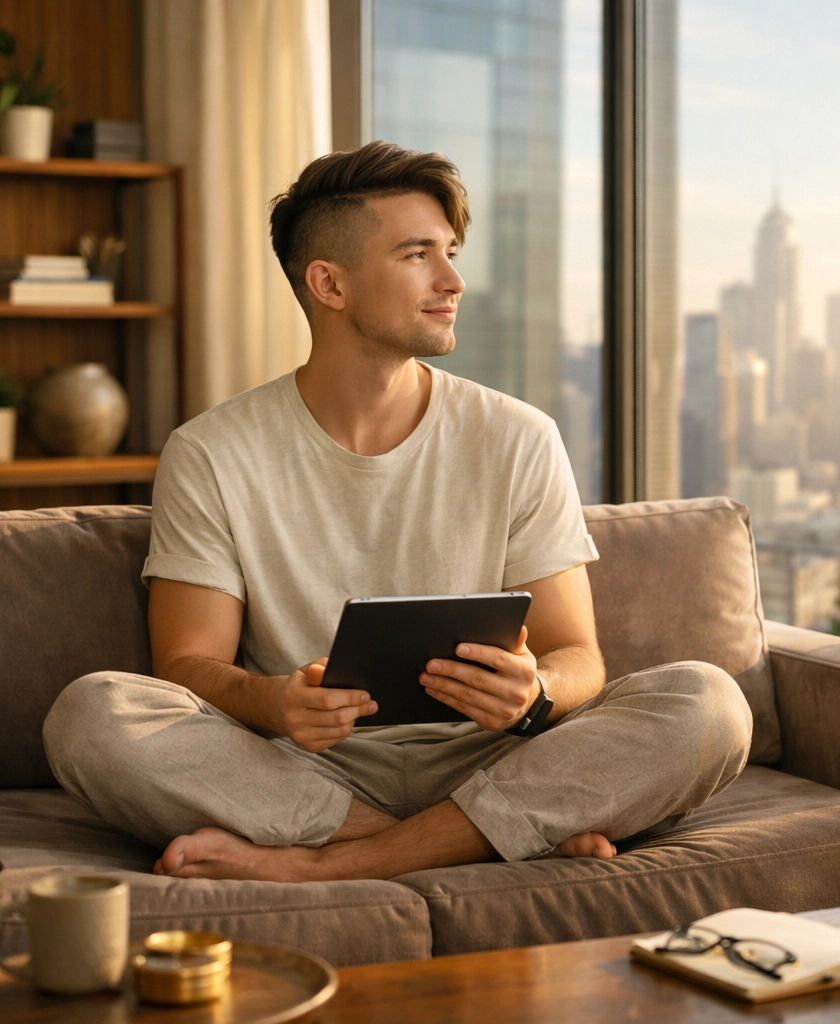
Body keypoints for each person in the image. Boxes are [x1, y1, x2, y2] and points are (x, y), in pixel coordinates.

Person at [43, 142, 752, 882]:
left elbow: (578, 656)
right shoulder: (211, 451)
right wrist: (274, 700)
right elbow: (188, 665)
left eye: (449, 252)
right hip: (306, 773)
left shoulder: (519, 435)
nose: (453, 280)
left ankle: (331, 864)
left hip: (499, 757)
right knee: (92, 717)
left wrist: (535, 692)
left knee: (707, 704)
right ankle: (496, 835)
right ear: (330, 283)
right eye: (419, 255)